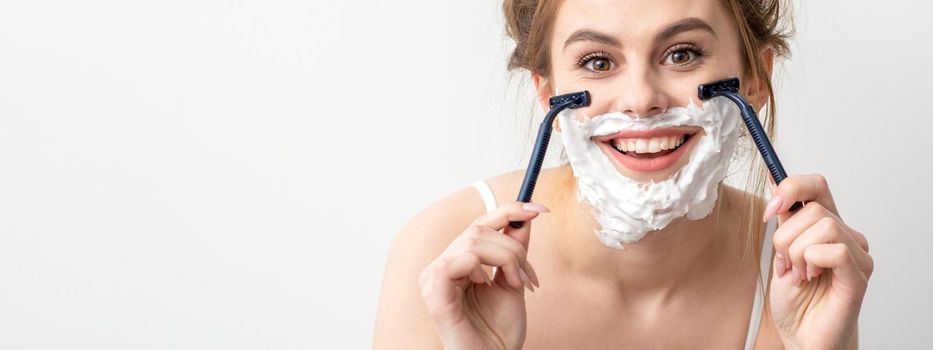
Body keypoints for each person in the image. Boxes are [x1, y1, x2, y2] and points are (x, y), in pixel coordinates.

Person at [374, 0, 873, 348]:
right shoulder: (443, 258)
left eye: (682, 54)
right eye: (597, 61)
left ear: (756, 78)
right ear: (549, 96)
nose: (640, 101)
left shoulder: (799, 272)